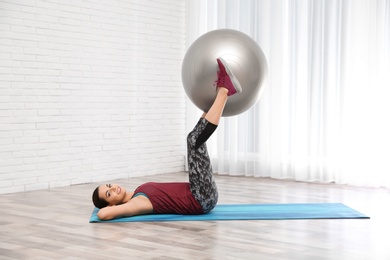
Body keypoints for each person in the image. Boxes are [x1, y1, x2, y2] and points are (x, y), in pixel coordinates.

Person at [92, 57, 242, 220]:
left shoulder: (138, 191)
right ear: (111, 204)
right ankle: (224, 90)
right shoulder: (136, 203)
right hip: (201, 199)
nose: (113, 189)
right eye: (109, 193)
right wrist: (107, 210)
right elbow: (102, 214)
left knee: (194, 138)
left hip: (198, 191)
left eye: (109, 186)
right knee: (193, 140)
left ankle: (221, 95)